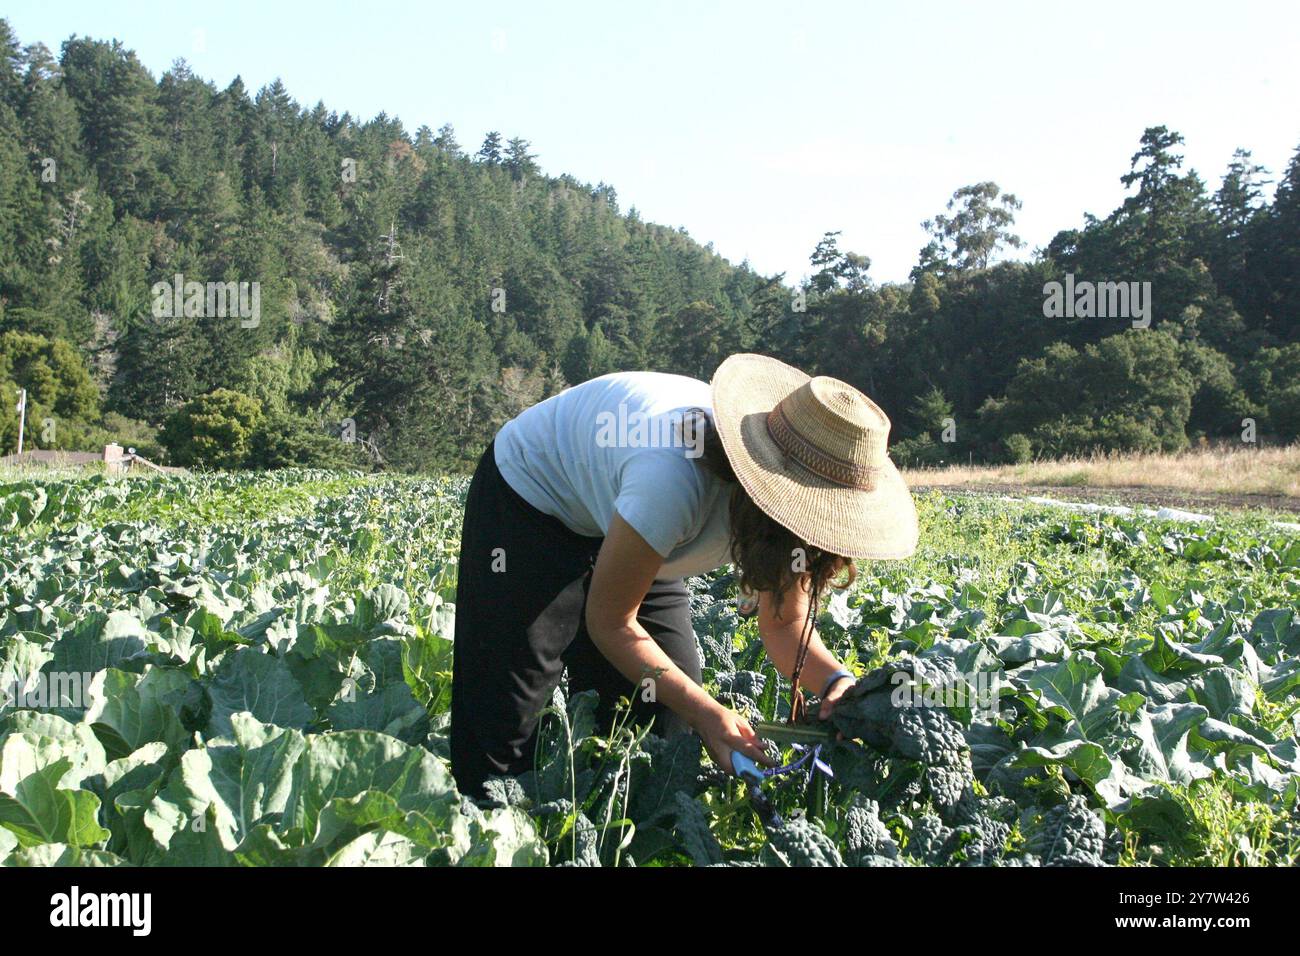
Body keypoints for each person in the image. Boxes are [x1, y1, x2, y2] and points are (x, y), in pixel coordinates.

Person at [449, 353, 918, 797]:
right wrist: (710, 713)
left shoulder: (797, 528)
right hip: (534, 501)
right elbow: (612, 621)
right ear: (773, 498)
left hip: (638, 526)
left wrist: (835, 682)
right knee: (506, 726)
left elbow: (784, 623)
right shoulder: (672, 479)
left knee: (659, 716)